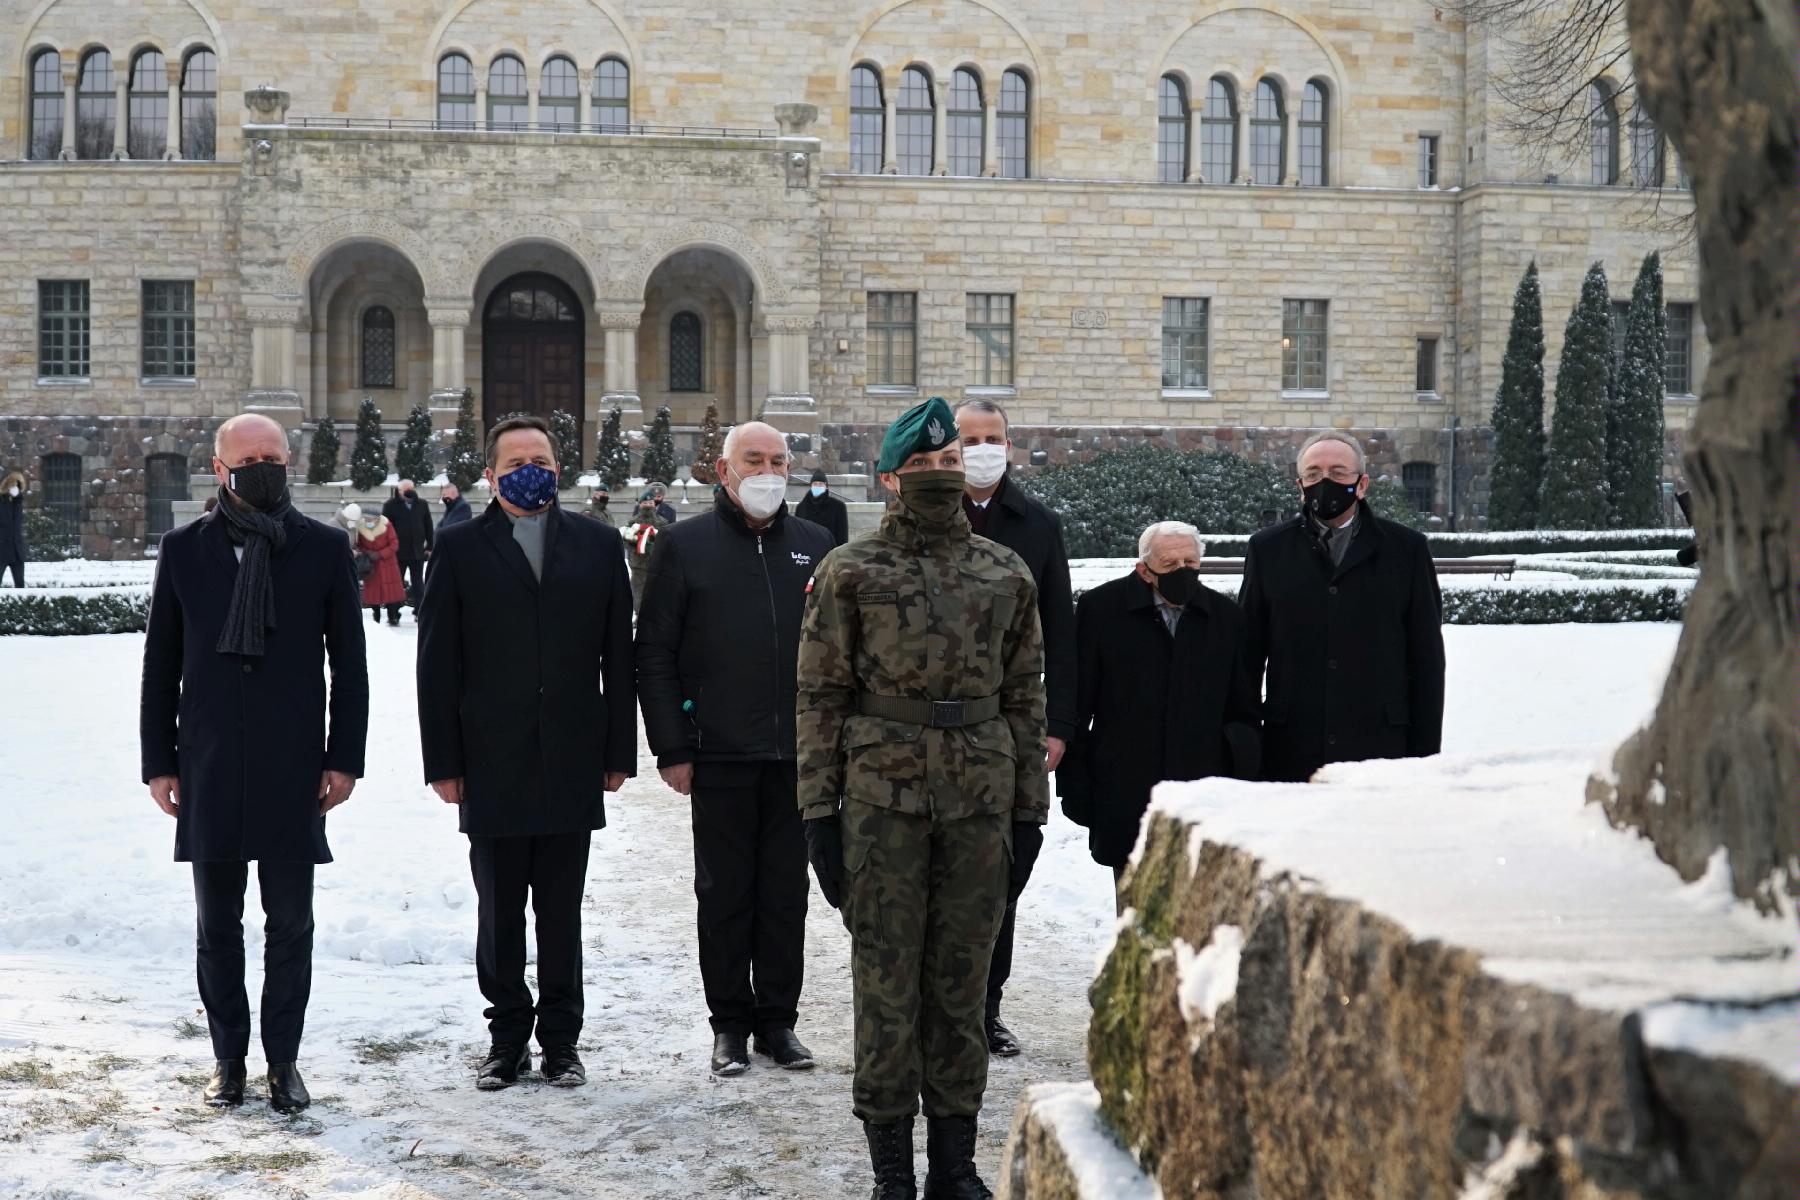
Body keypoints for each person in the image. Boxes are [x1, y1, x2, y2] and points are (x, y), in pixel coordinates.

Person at [797, 395, 1048, 1200]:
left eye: (950, 464)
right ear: (890, 479)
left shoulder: (1006, 571)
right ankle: (893, 1171)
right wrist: (817, 814)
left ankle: (954, 1164)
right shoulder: (850, 570)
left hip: (979, 800)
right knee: (886, 984)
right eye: (925, 466)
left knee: (962, 986)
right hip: (882, 805)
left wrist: (1029, 808)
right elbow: (821, 698)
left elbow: (1025, 697)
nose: (941, 475)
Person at [139, 413, 368, 1114]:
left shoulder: (324, 548)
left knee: (291, 923)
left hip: (294, 765)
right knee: (217, 926)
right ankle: (228, 1059)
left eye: (273, 455)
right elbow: (162, 665)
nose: (262, 466)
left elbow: (350, 666)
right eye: (249, 458)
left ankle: (285, 1062)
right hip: (207, 763)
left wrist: (345, 759)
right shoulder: (184, 551)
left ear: (289, 460)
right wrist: (159, 762)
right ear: (220, 468)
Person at [416, 414, 636, 1092]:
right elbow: (437, 666)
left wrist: (619, 751)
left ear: (558, 467)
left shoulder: (599, 547)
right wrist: (444, 763)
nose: (528, 469)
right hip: (491, 758)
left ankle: (562, 1042)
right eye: (514, 462)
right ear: (491, 474)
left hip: (572, 753)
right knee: (500, 910)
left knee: (562, 911)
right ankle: (507, 1037)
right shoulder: (458, 548)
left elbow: (617, 660)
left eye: (538, 458)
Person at [636, 421, 836, 1077]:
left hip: (797, 756)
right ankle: (729, 1025)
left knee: (785, 895)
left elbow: (839, 653)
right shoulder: (684, 546)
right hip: (717, 752)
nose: (769, 471)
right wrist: (672, 745)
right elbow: (655, 654)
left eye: (780, 458)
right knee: (724, 896)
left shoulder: (816, 544)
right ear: (724, 471)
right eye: (755, 460)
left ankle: (778, 1023)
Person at [952, 398, 1076, 1059]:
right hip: (939, 728)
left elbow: (1062, 629)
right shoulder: (926, 519)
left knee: (1004, 874)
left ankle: (986, 1006)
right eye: (969, 438)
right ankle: (939, 1007)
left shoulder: (1038, 525)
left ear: (1010, 444)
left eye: (992, 437)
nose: (982, 448)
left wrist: (1059, 726)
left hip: (1013, 726)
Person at [1058, 522, 1260, 909]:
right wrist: (1076, 784)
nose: (1182, 571)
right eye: (1170, 563)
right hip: (1124, 785)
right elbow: (1077, 703)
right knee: (1135, 911)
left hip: (1202, 789)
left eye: (1190, 561)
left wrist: (1237, 772)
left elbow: (1243, 708)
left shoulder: (1225, 618)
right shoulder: (1101, 610)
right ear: (1144, 569)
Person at [1238, 431, 1446, 783]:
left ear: (1361, 484)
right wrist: (1246, 745)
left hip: (1379, 745)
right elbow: (1247, 654)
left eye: (1338, 473)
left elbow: (1425, 659)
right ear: (1300, 484)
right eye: (1314, 474)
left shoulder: (1406, 550)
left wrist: (1424, 759)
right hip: (1290, 745)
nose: (1325, 482)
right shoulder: (1268, 549)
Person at [381, 479, 433, 608]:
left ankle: (420, 610)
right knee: (395, 584)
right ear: (398, 491)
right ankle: (393, 612)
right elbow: (384, 528)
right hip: (398, 552)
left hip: (417, 551)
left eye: (410, 489)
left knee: (418, 584)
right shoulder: (390, 505)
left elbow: (428, 525)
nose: (407, 492)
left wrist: (430, 546)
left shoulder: (421, 504)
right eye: (404, 490)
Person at [353, 507, 407, 625]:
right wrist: (368, 552)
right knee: (373, 593)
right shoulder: (361, 529)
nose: (367, 521)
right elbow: (359, 545)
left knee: (391, 593)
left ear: (377, 519)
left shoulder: (387, 526)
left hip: (388, 564)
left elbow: (394, 544)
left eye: (369, 519)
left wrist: (380, 554)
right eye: (365, 518)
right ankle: (375, 616)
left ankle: (393, 616)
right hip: (371, 566)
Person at [624, 490, 672, 612]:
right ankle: (640, 615)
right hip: (638, 564)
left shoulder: (662, 522)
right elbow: (626, 541)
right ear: (640, 505)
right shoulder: (633, 522)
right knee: (638, 591)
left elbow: (668, 542)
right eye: (645, 503)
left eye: (651, 503)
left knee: (656, 592)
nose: (649, 505)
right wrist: (635, 542)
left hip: (656, 563)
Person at [793, 467, 849, 548]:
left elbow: (842, 537)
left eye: (820, 484)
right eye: (815, 484)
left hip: (829, 554)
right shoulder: (801, 507)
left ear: (826, 486)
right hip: (807, 553)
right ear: (811, 486)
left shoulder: (838, 507)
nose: (817, 486)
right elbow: (797, 534)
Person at [0, 469, 25, 587]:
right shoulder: (2, 502)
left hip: (16, 551)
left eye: (17, 485)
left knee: (20, 585)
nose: (14, 487)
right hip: (2, 551)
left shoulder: (18, 503)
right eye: (12, 484)